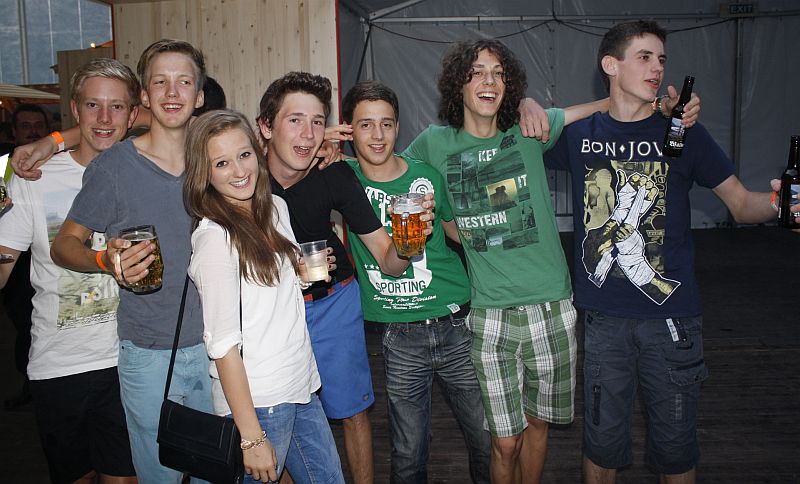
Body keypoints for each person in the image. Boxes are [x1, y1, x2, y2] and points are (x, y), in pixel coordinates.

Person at [543, 20, 796, 484]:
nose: (657, 68)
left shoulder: (682, 133)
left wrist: (783, 204)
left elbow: (742, 205)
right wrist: (528, 105)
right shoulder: (580, 134)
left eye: (661, 59)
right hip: (604, 318)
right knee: (601, 446)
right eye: (644, 57)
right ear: (610, 65)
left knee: (676, 452)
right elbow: (518, 133)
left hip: (672, 320)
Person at [256, 71, 433, 484]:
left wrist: (408, 244)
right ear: (265, 127)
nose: (307, 134)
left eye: (317, 122)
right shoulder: (246, 177)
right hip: (272, 310)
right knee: (280, 412)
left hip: (332, 302)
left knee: (352, 411)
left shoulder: (333, 173)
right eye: (295, 120)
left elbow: (387, 258)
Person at [49, 39, 212, 483]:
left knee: (211, 470)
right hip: (148, 352)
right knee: (159, 476)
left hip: (217, 349)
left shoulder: (213, 160)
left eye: (184, 82)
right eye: (160, 82)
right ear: (144, 95)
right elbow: (64, 244)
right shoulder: (115, 167)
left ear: (199, 96)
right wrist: (105, 260)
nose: (172, 92)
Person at [338, 80, 490, 483]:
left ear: (398, 127)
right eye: (365, 124)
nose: (377, 135)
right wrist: (322, 142)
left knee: (485, 438)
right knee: (407, 451)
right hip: (398, 333)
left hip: (454, 322)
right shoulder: (341, 178)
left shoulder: (426, 177)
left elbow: (457, 233)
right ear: (348, 130)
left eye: (386, 124)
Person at [185, 109, 344, 484]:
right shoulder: (214, 238)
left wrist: (301, 275)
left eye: (244, 155)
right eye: (221, 163)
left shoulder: (276, 208)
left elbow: (271, 293)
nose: (239, 170)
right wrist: (251, 437)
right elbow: (222, 346)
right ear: (204, 173)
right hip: (259, 403)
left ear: (257, 152)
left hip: (301, 385)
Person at [0, 58, 139, 484]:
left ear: (133, 113)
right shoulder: (33, 178)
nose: (104, 118)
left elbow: (180, 118)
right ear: (75, 109)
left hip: (129, 361)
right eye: (93, 105)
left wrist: (56, 138)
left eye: (117, 106)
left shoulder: (147, 170)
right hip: (58, 365)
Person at [1, 103, 50, 410]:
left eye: (37, 126)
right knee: (23, 325)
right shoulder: (4, 167)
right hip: (14, 268)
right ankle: (29, 383)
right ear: (14, 133)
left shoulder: (57, 164)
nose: (32, 131)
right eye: (25, 126)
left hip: (45, 264)